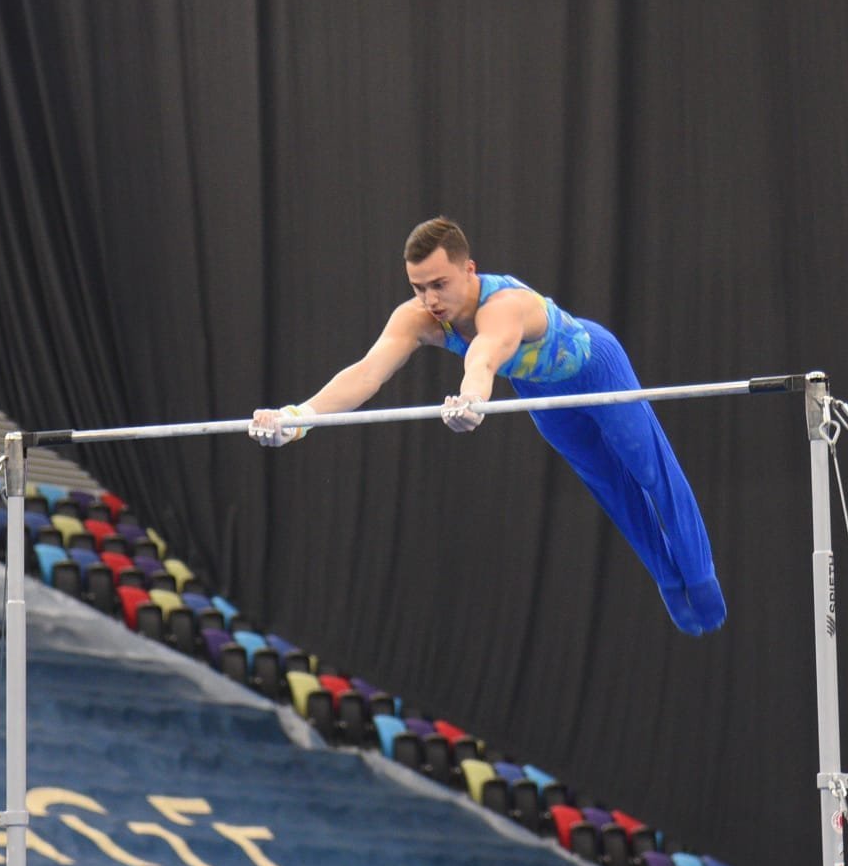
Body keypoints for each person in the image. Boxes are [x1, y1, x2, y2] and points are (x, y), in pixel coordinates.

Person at [251, 217, 724, 634]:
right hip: (540, 392)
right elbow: (367, 373)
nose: (429, 300)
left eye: (439, 284)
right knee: (608, 484)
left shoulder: (503, 305)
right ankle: (667, 575)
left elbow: (484, 356)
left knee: (650, 472)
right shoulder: (416, 318)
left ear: (469, 270)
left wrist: (472, 399)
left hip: (596, 367)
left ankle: (699, 575)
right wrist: (300, 417)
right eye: (418, 287)